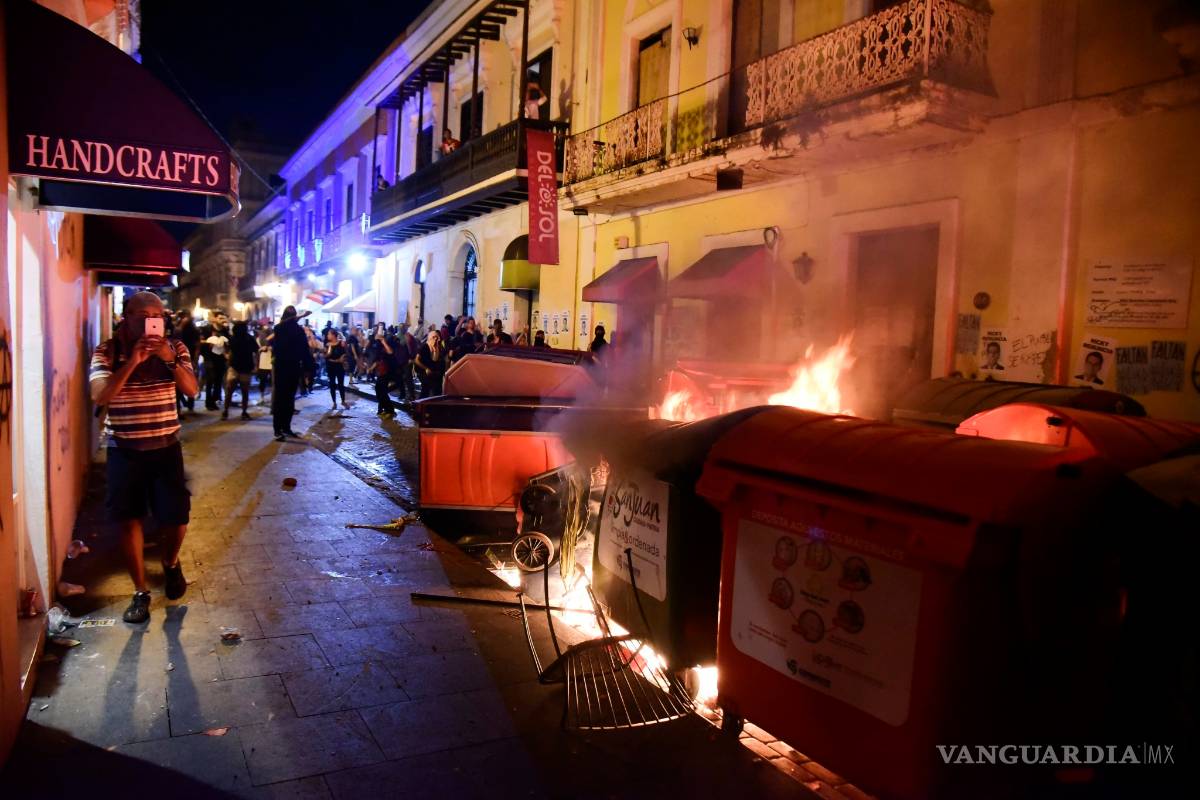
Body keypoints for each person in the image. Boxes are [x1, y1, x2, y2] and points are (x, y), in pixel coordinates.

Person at [89, 291, 199, 624]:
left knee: (177, 518)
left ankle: (170, 563)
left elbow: (192, 390)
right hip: (125, 449)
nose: (153, 322)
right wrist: (133, 362)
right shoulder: (107, 350)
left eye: (158, 316)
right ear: (127, 316)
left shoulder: (176, 348)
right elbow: (101, 394)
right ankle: (140, 591)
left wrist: (167, 357)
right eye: (144, 316)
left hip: (166, 446)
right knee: (129, 519)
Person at [271, 307, 315, 441]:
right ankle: (282, 428)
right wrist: (309, 367)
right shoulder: (288, 329)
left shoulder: (284, 329)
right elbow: (304, 350)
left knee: (284, 398)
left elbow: (304, 349)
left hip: (285, 367)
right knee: (286, 398)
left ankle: (281, 428)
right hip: (289, 366)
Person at [222, 321, 259, 420]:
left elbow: (228, 352)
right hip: (246, 368)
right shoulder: (250, 338)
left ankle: (225, 411)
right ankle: (244, 412)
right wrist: (256, 365)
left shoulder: (233, 339)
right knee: (245, 391)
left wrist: (227, 359)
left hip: (234, 367)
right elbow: (256, 351)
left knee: (229, 391)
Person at [201, 313, 229, 410]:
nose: (222, 320)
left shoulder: (225, 330)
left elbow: (228, 342)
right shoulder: (207, 329)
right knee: (210, 380)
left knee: (218, 380)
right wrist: (209, 342)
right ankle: (208, 402)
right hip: (209, 358)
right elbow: (200, 341)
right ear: (215, 319)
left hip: (220, 358)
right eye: (220, 318)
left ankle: (214, 400)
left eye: (223, 318)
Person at [367, 324, 396, 417]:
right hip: (381, 371)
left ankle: (390, 410)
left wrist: (383, 341)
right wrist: (371, 368)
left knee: (382, 391)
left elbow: (390, 352)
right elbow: (378, 359)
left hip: (388, 370)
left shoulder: (388, 340)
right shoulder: (377, 345)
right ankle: (385, 409)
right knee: (379, 390)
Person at [175, 309, 200, 413]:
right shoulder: (178, 326)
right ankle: (180, 407)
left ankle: (190, 405)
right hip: (177, 358)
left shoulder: (193, 328)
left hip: (189, 358)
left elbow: (197, 345)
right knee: (177, 384)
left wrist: (195, 360)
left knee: (190, 380)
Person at [415, 330, 446, 398]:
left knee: (434, 389)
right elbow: (416, 360)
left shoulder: (436, 347)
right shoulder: (424, 347)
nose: (436, 339)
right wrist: (426, 368)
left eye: (437, 337)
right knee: (426, 389)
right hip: (422, 371)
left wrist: (436, 348)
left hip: (432, 372)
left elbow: (435, 359)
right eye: (434, 337)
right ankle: (419, 405)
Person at [325, 329, 350, 410]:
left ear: (333, 335)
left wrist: (343, 358)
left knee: (341, 384)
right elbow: (327, 357)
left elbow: (346, 353)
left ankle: (343, 401)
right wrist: (337, 360)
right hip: (331, 367)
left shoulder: (341, 343)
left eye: (329, 334)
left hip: (340, 367)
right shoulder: (328, 344)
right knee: (332, 384)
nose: (327, 336)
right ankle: (334, 402)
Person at [255, 330, 273, 405]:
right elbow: (256, 350)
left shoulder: (273, 338)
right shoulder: (258, 339)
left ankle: (273, 398)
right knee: (262, 381)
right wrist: (260, 349)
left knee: (273, 382)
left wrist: (270, 348)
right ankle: (261, 397)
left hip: (272, 362)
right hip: (262, 362)